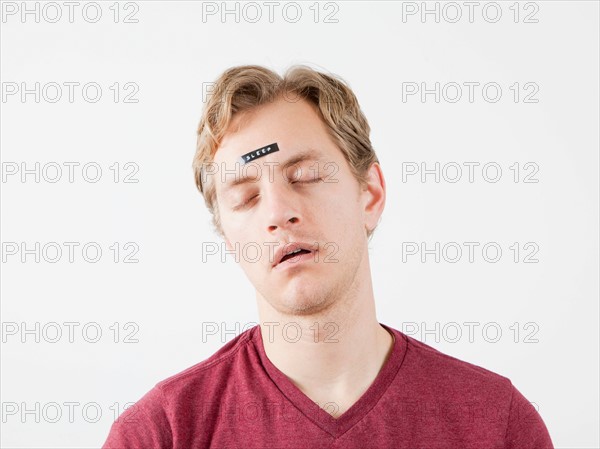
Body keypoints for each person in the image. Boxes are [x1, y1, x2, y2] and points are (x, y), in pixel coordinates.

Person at [102, 64, 554, 448]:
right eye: (245, 197)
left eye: (307, 175)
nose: (279, 213)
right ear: (227, 237)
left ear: (370, 194)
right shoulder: (162, 434)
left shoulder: (496, 422)